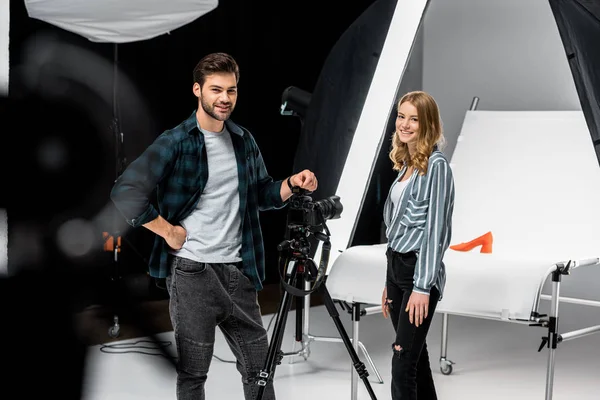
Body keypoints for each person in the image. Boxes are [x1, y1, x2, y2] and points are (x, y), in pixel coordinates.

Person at [110, 52, 318, 400]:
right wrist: (169, 231)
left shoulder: (243, 140)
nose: (224, 99)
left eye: (232, 91)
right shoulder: (176, 141)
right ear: (198, 90)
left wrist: (292, 183)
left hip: (238, 273)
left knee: (260, 370)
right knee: (193, 375)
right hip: (193, 274)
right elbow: (124, 191)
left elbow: (262, 194)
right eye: (216, 90)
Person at [380, 91, 455, 400]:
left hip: (417, 273)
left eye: (414, 119)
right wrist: (388, 281)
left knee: (402, 360)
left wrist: (422, 287)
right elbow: (396, 230)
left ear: (428, 125)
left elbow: (436, 231)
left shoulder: (437, 167)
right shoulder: (406, 166)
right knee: (415, 357)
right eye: (401, 116)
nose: (405, 124)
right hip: (397, 270)